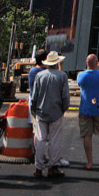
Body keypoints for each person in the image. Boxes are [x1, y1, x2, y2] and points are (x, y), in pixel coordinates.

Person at [29, 50, 71, 179]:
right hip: (56, 111)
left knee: (40, 139)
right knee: (55, 140)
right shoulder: (62, 76)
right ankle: (53, 167)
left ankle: (38, 168)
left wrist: (34, 109)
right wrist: (64, 108)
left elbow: (34, 95)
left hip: (41, 111)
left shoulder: (40, 75)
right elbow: (65, 95)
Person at [76, 53, 99, 171]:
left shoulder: (81, 76)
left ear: (86, 63)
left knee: (87, 136)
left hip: (86, 109)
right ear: (97, 63)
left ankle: (90, 162)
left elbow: (79, 83)